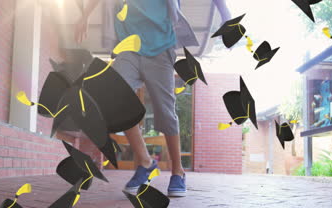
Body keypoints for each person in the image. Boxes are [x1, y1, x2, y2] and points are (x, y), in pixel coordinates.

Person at [74, 0, 230, 197]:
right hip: (128, 48)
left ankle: (178, 171)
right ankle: (146, 162)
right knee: (113, 96)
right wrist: (85, 15)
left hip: (160, 49)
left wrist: (226, 15)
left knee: (165, 111)